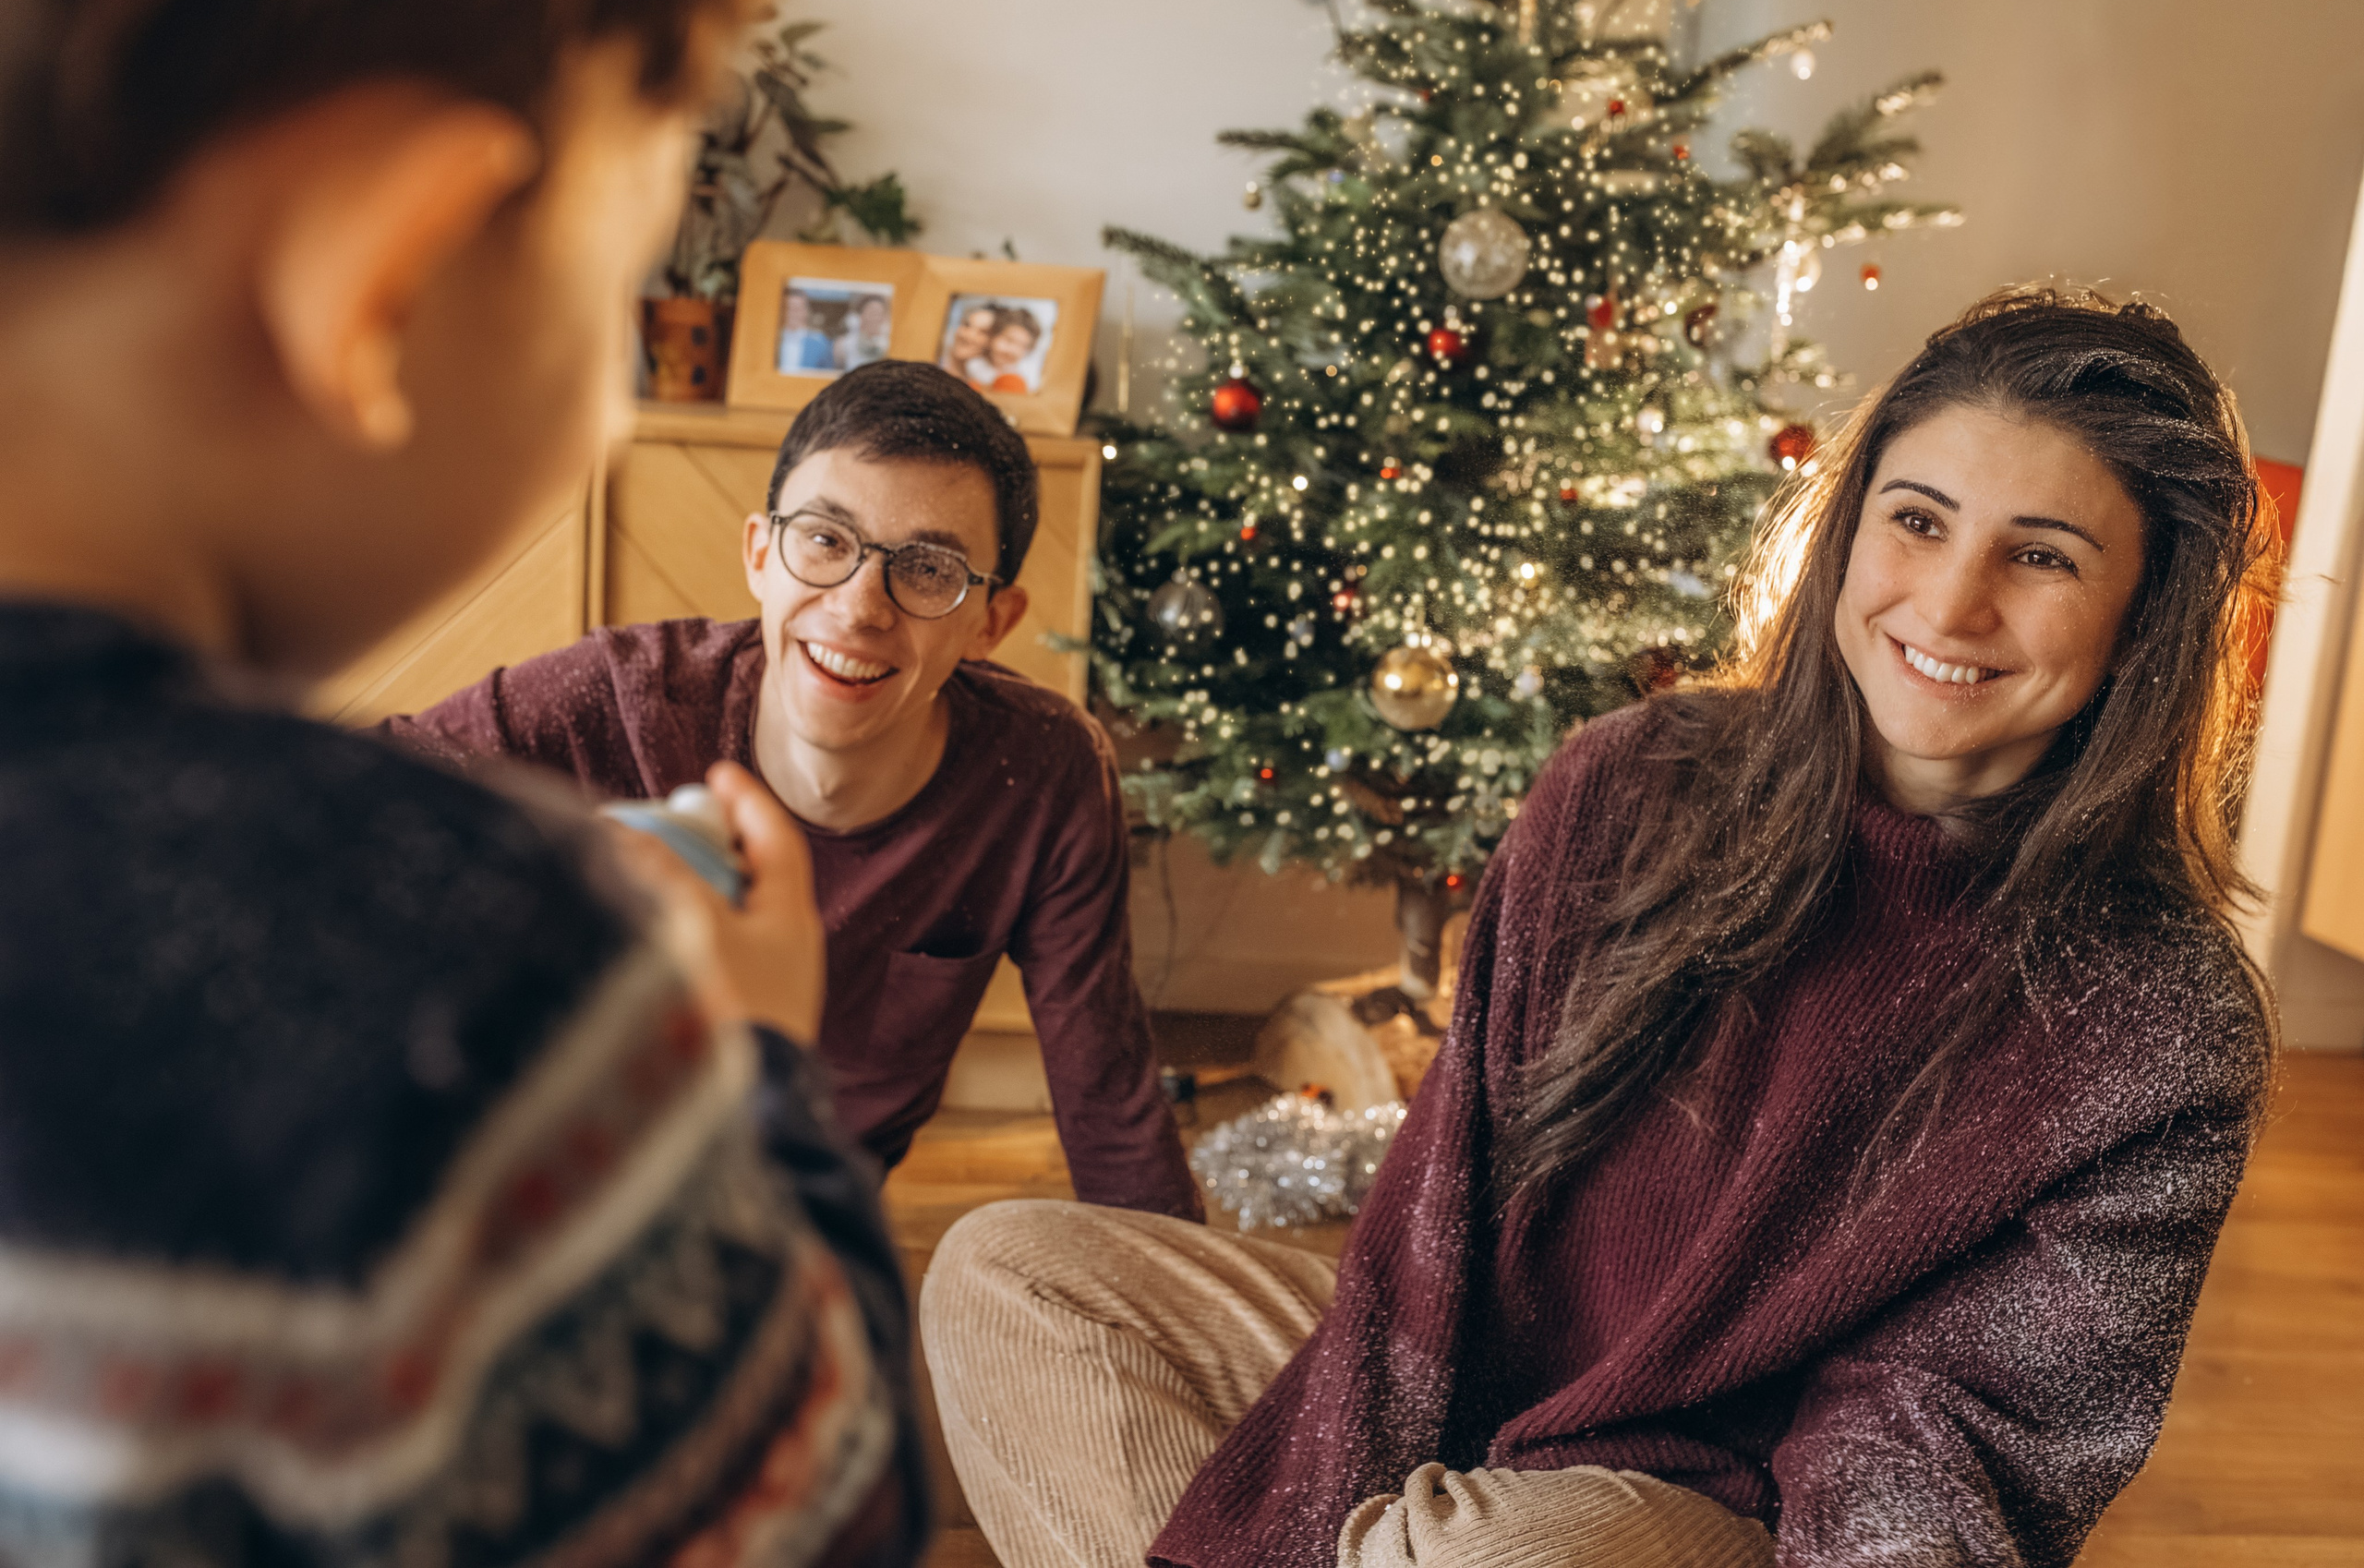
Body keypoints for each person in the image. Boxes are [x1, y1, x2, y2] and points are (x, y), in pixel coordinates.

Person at [921, 287, 2280, 1568]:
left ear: (2143, 614)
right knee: (1008, 1272)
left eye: (2040, 555)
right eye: (1917, 520)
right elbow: (1441, 1186)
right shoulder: (1634, 778)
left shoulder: (2158, 1013)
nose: (1951, 601)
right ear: (1851, 527)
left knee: (1483, 1550)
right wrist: (1328, 1480)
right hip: (1471, 1388)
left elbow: (1951, 1430)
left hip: (1736, 1501)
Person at [0, 0, 926, 1566]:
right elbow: (814, 1512)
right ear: (393, 264)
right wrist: (763, 1059)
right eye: (629, 294)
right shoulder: (473, 957)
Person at [383, 359, 1203, 1218]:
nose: (858, 607)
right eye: (825, 539)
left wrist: (1182, 1317)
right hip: (535, 1177)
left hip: (796, 1210)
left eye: (928, 569)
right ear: (760, 553)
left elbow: (1109, 1103)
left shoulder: (1045, 774)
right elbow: (344, 801)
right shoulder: (613, 699)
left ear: (989, 623)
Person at [975, 307, 1043, 394]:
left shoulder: (1025, 381)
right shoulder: (972, 368)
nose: (1012, 350)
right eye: (1009, 340)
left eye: (1022, 346)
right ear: (993, 336)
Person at [778, 286, 838, 372]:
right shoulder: (771, 340)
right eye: (788, 308)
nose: (793, 314)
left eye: (797, 309)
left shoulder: (821, 343)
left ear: (806, 311)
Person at [938, 301, 998, 380]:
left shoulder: (991, 380)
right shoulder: (937, 364)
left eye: (983, 332)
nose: (968, 335)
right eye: (966, 325)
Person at [838, 292, 893, 369]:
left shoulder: (888, 345)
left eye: (879, 313)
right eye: (872, 312)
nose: (875, 318)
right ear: (860, 316)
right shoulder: (845, 344)